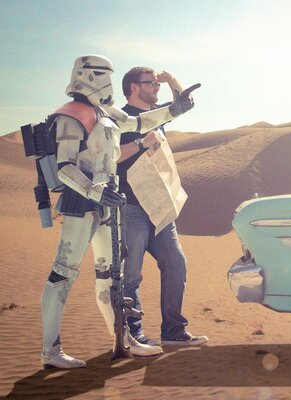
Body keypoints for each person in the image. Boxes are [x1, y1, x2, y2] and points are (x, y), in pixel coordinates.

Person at [40, 55, 197, 369]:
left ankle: (126, 339)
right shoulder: (70, 116)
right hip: (82, 203)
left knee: (110, 278)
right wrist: (96, 191)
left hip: (110, 203)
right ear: (84, 76)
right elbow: (65, 169)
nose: (106, 81)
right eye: (100, 75)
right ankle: (51, 351)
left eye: (108, 75)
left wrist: (174, 109)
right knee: (63, 275)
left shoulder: (108, 113)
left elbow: (141, 122)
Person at [117, 67, 208, 346]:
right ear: (134, 87)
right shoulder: (119, 118)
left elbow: (184, 104)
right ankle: (133, 335)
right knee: (131, 276)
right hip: (131, 208)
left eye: (157, 84)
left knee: (176, 264)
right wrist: (142, 143)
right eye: (151, 84)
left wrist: (171, 81)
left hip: (160, 208)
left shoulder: (157, 117)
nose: (156, 89)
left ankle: (173, 332)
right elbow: (111, 157)